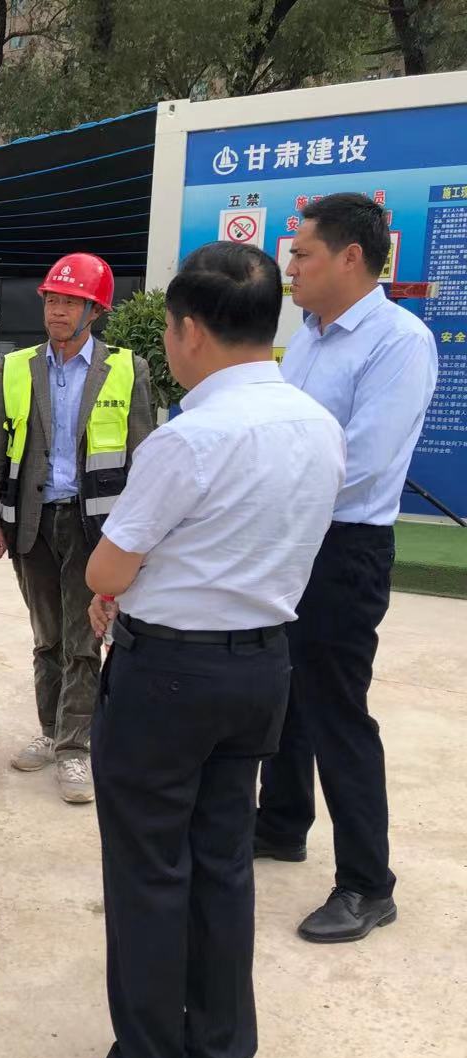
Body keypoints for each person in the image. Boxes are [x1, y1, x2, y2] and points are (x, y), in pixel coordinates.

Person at [53, 242, 345, 1058]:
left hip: (168, 680)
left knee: (149, 873)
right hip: (261, 671)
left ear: (188, 332)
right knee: (222, 865)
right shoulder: (318, 426)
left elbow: (108, 568)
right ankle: (220, 1053)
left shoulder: (190, 438)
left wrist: (115, 587)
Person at [255, 193, 438, 944]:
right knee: (282, 692)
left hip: (344, 546)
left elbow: (361, 463)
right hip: (290, 536)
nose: (290, 268)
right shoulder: (306, 338)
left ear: (351, 257)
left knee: (337, 709)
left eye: (301, 254)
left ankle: (367, 884)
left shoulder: (399, 342)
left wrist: (263, 489)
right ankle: (281, 824)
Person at [0, 254, 153, 803]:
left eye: (70, 302)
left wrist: (136, 537)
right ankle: (51, 730)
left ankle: (76, 748)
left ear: (94, 311)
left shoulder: (127, 369)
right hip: (31, 523)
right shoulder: (17, 368)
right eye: (52, 300)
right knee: (46, 638)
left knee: (83, 640)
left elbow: (144, 456)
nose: (57, 311)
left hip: (93, 526)